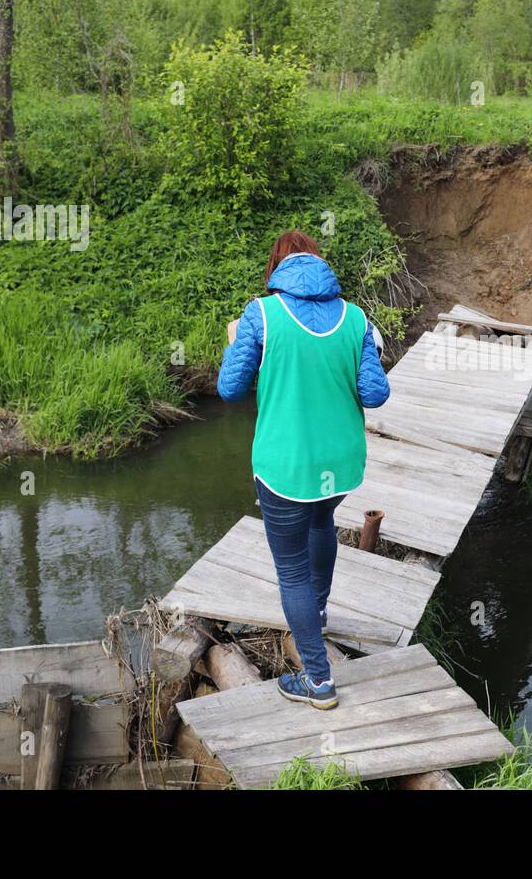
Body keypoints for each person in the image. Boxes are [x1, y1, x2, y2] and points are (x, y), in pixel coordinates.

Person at [217, 231, 390, 710]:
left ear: (277, 269)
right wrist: (368, 350)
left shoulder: (262, 315)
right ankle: (318, 611)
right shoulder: (356, 318)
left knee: (291, 571)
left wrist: (235, 342)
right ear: (319, 264)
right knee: (321, 523)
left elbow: (230, 389)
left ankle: (317, 680)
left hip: (285, 467)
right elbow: (375, 394)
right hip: (339, 464)